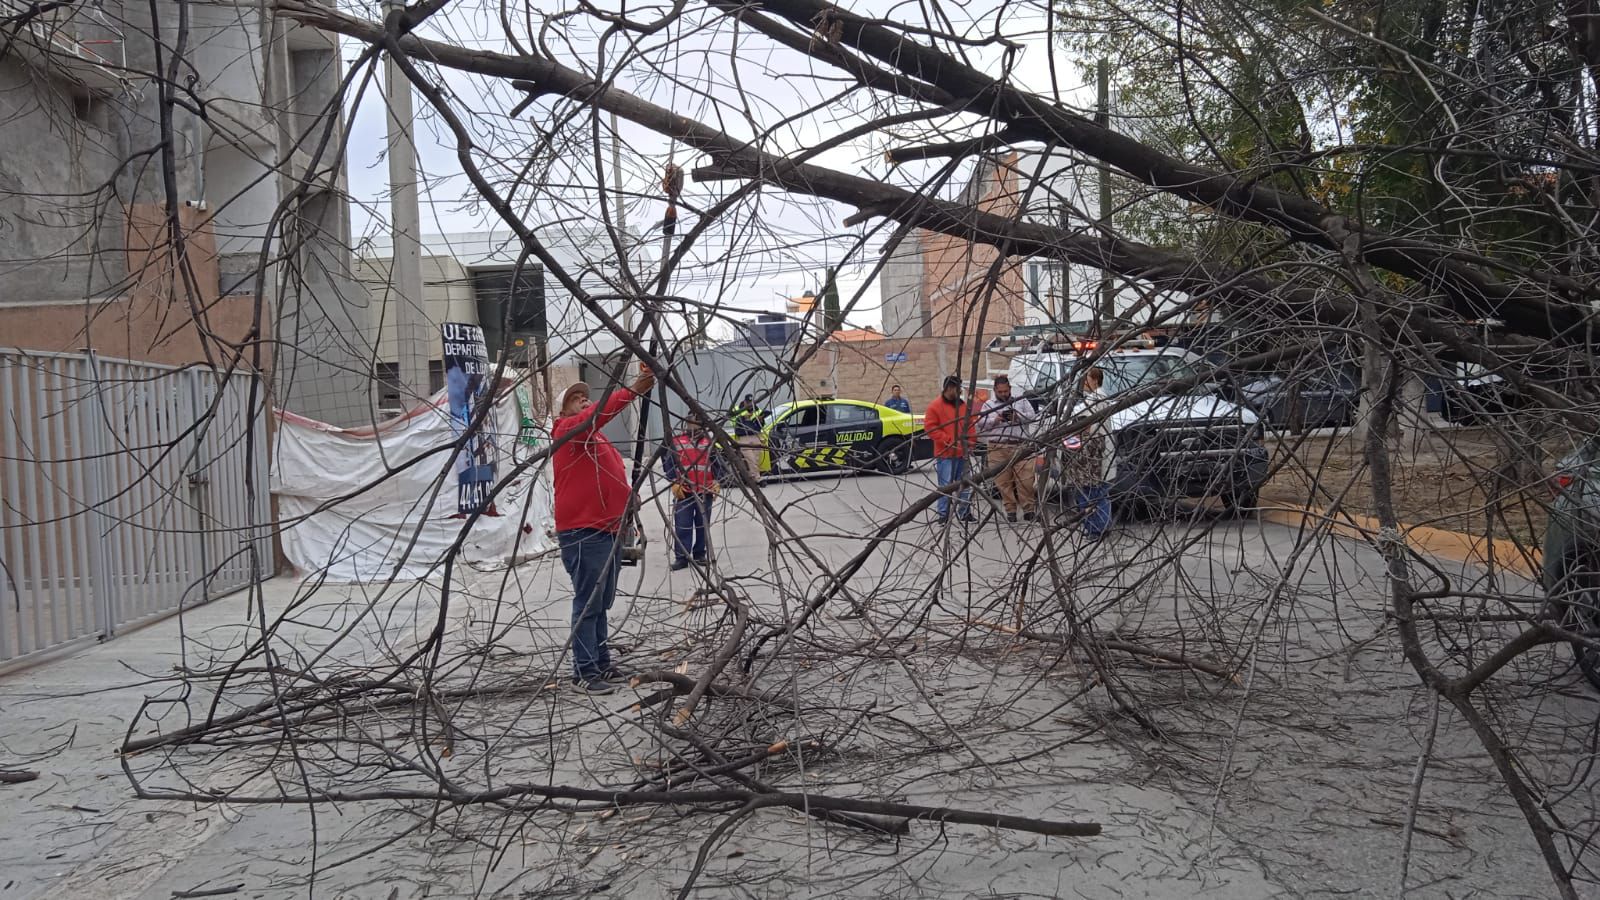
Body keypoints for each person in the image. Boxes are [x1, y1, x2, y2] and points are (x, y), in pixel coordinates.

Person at [551, 365, 655, 694]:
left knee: (601, 601)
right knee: (589, 601)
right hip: (584, 531)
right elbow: (598, 414)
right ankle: (584, 671)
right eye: (575, 399)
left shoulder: (596, 438)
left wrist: (628, 497)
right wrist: (635, 387)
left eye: (585, 397)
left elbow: (612, 475)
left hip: (607, 528)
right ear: (563, 410)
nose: (583, 402)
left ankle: (600, 662)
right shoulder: (568, 431)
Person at [663, 413, 725, 570]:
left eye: (696, 422)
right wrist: (673, 482)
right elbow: (668, 464)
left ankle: (699, 555)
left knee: (702, 525)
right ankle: (682, 558)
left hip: (705, 491)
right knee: (683, 525)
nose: (693, 425)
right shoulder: (677, 442)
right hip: (684, 491)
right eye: (690, 422)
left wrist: (717, 481)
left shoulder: (709, 442)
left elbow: (718, 464)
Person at [1060, 367, 1113, 540]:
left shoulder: (1096, 399)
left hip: (1093, 456)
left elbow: (1084, 421)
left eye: (1086, 379)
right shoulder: (1098, 398)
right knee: (1099, 494)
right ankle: (1100, 527)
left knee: (1091, 494)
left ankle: (1096, 529)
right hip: (1097, 453)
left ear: (1095, 380)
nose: (1083, 384)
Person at [977, 374, 1038, 522]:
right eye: (1000, 392)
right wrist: (995, 420)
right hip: (998, 447)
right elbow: (980, 422)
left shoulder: (1020, 401)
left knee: (1026, 480)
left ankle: (1028, 509)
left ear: (1010, 388)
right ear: (995, 390)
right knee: (1003, 481)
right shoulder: (989, 405)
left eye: (1006, 391)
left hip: (1020, 445)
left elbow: (1032, 416)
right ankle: (1010, 510)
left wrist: (1018, 417)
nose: (1003, 394)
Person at [923, 374, 977, 523]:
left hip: (963, 453)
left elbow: (970, 426)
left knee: (965, 485)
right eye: (958, 389)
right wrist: (947, 440)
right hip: (946, 454)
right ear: (950, 388)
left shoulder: (963, 406)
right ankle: (943, 514)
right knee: (946, 485)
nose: (960, 392)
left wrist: (971, 442)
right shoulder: (935, 406)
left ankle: (964, 512)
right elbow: (930, 428)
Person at [731, 394, 766, 479]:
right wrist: (743, 418)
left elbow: (762, 426)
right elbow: (732, 422)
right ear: (744, 402)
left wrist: (761, 420)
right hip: (743, 438)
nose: (750, 404)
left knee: (756, 459)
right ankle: (758, 478)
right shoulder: (737, 409)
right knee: (751, 459)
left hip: (755, 436)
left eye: (751, 402)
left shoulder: (757, 410)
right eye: (748, 402)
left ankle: (752, 477)